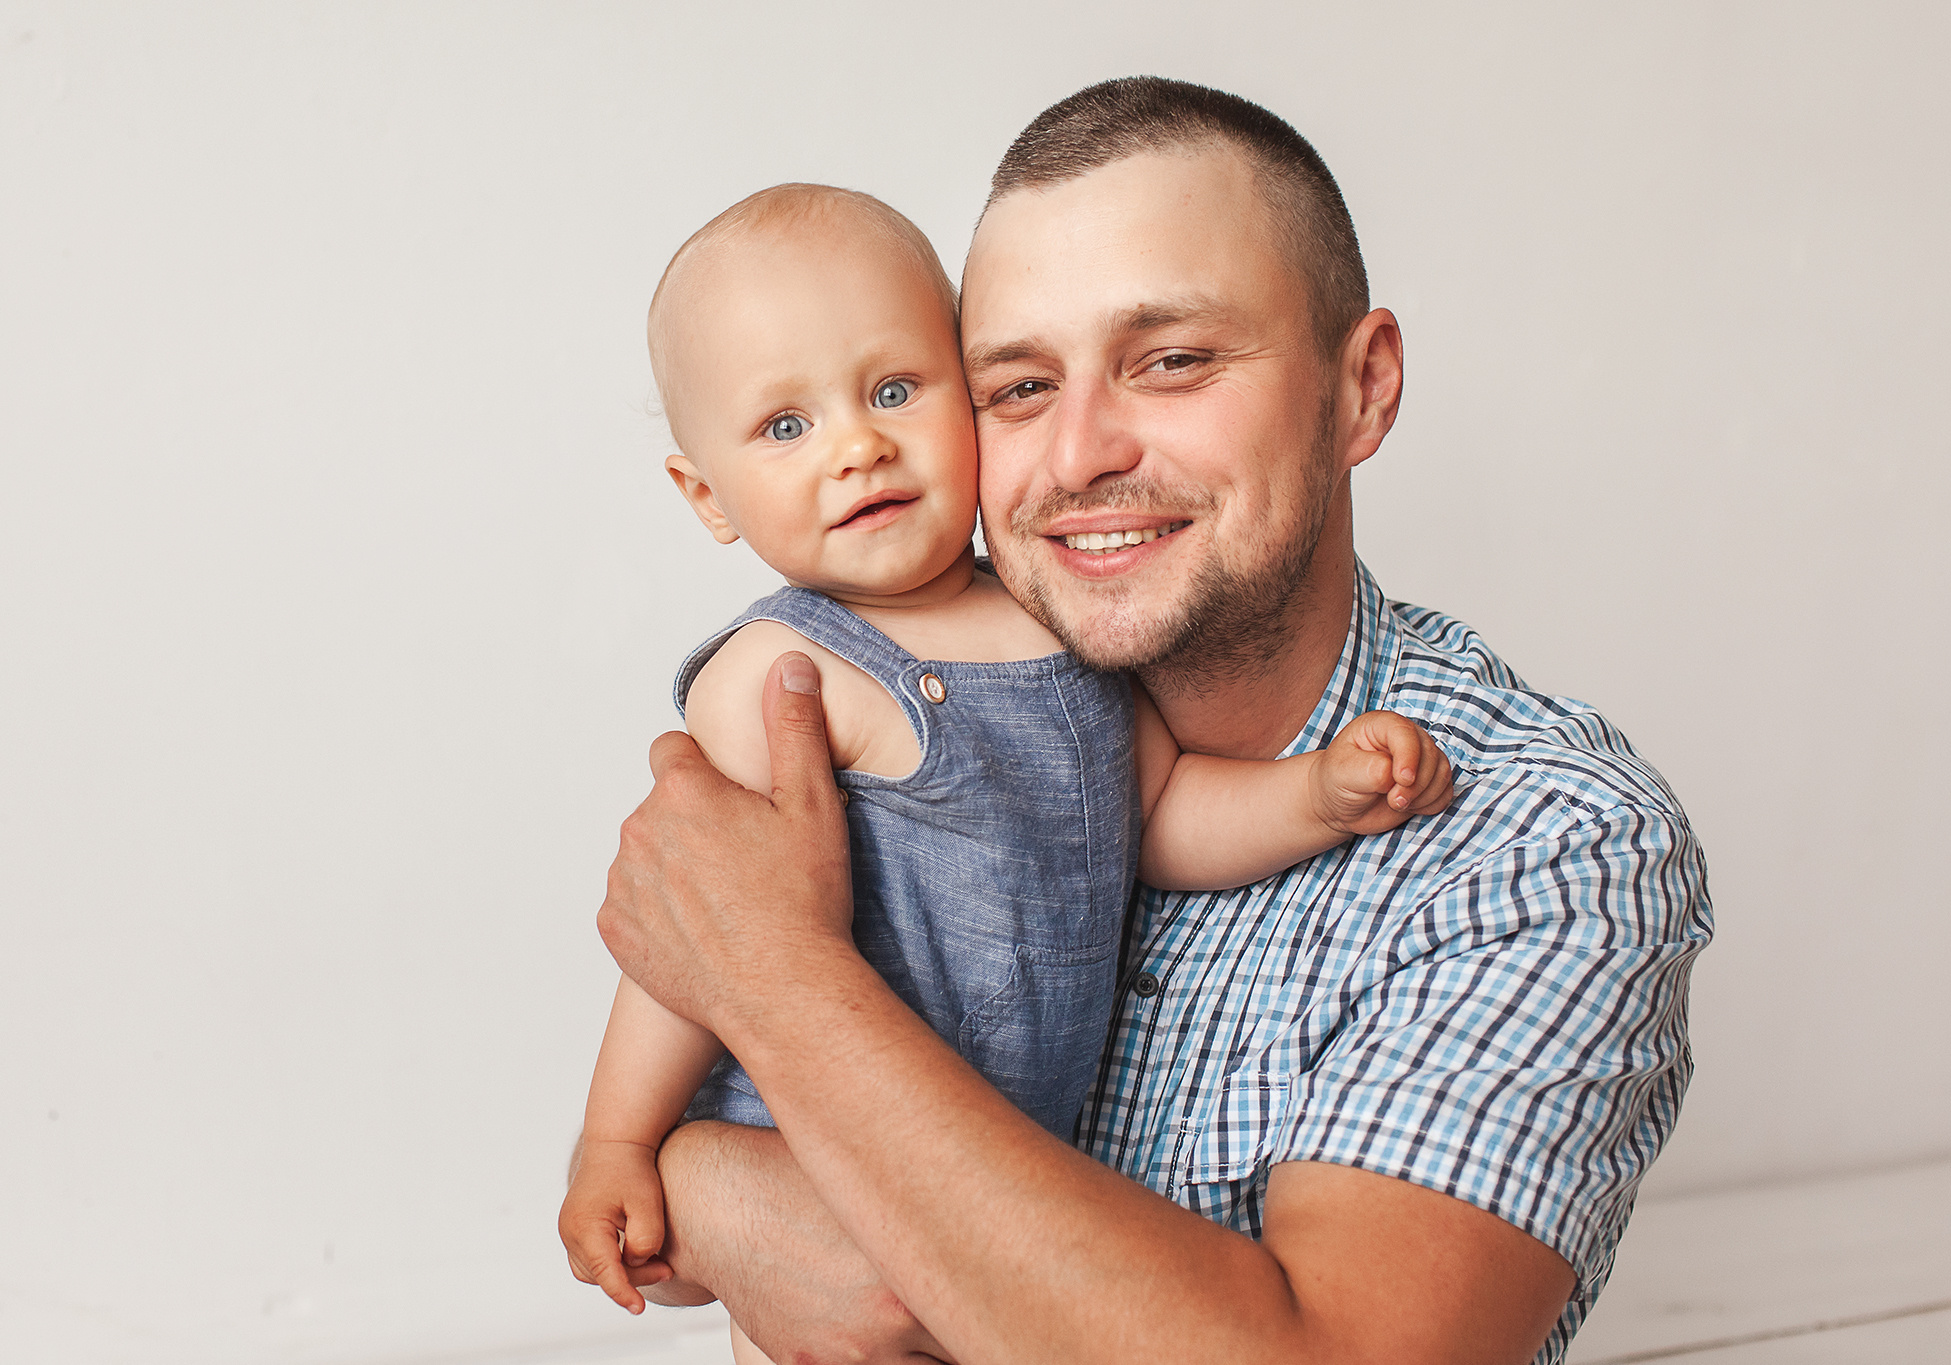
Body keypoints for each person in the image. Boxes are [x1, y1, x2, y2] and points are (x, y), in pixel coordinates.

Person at [596, 78, 1712, 1365]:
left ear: (1362, 389)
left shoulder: (1543, 845)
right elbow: (667, 1202)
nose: (1077, 455)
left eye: (1172, 360)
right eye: (1015, 386)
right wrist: (696, 1178)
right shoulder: (861, 713)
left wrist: (781, 991)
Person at [559, 183, 1457, 1363]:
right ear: (705, 496)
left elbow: (1157, 813)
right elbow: (698, 937)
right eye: (785, 427)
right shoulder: (783, 674)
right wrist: (616, 1142)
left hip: (1023, 1175)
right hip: (808, 1147)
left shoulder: (1055, 616)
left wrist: (1315, 795)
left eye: (893, 390)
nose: (856, 445)